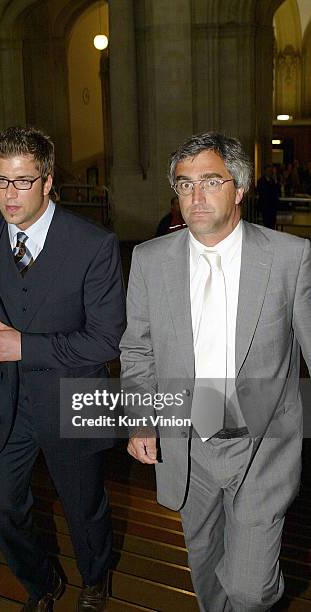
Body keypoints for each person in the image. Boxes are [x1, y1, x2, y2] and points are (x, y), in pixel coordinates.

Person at [120, 132, 311, 612]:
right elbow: (137, 349)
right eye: (185, 185)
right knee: (207, 573)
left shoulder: (290, 258)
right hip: (187, 439)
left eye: (210, 182)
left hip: (262, 441)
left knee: (249, 588)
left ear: (239, 188)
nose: (195, 197)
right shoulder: (149, 260)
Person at [0, 126, 125, 611]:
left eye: (22, 181)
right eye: (1, 181)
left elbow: (105, 339)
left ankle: (94, 581)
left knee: (83, 508)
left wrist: (22, 347)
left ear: (48, 181)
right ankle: (43, 582)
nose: (9, 195)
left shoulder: (95, 244)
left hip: (73, 397)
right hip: (3, 397)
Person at [256, 163, 280, 229]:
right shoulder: (261, 181)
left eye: (271, 171)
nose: (270, 173)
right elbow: (263, 193)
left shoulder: (273, 181)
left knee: (272, 224)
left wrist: (275, 181)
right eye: (268, 171)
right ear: (265, 172)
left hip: (272, 207)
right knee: (266, 225)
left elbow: (277, 191)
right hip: (265, 207)